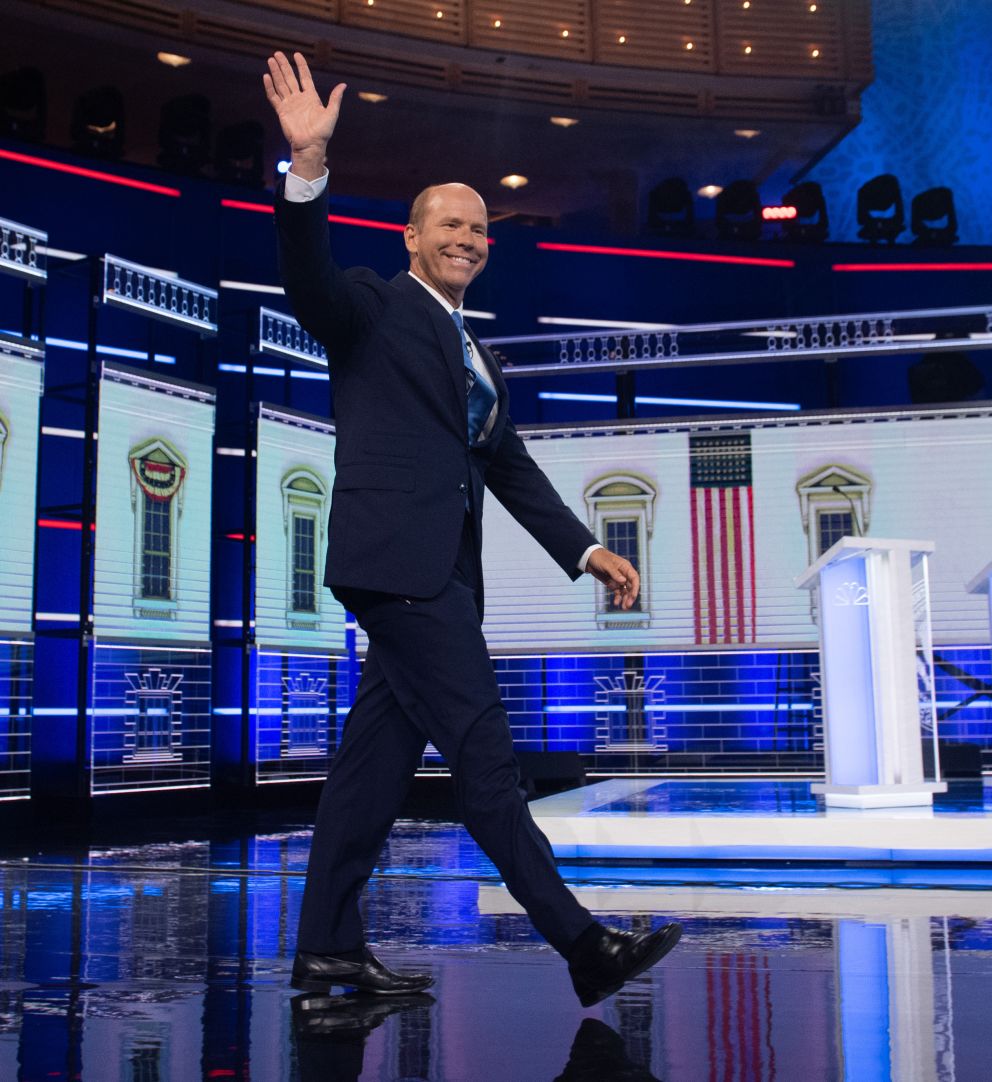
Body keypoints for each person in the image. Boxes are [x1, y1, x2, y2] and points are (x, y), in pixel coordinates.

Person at [262, 50, 680, 1006]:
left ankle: (326, 951)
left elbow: (508, 465)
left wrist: (586, 546)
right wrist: (307, 169)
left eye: (479, 228)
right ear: (412, 237)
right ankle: (582, 945)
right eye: (449, 223)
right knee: (486, 758)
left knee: (370, 775)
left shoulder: (477, 350)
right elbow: (304, 276)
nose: (467, 237)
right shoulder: (371, 305)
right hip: (398, 568)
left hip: (436, 575)